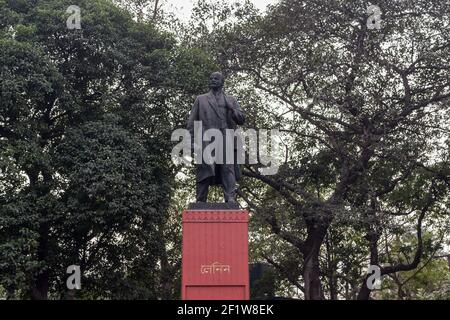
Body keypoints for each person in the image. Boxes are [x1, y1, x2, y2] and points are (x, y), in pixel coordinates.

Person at [187, 72, 245, 203]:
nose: (213, 80)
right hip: (207, 138)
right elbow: (192, 122)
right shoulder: (201, 99)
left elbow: (241, 119)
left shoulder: (231, 100)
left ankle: (230, 197)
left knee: (227, 168)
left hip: (226, 137)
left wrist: (233, 110)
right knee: (205, 168)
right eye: (211, 78)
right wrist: (190, 142)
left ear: (222, 82)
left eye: (216, 79)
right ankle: (200, 199)